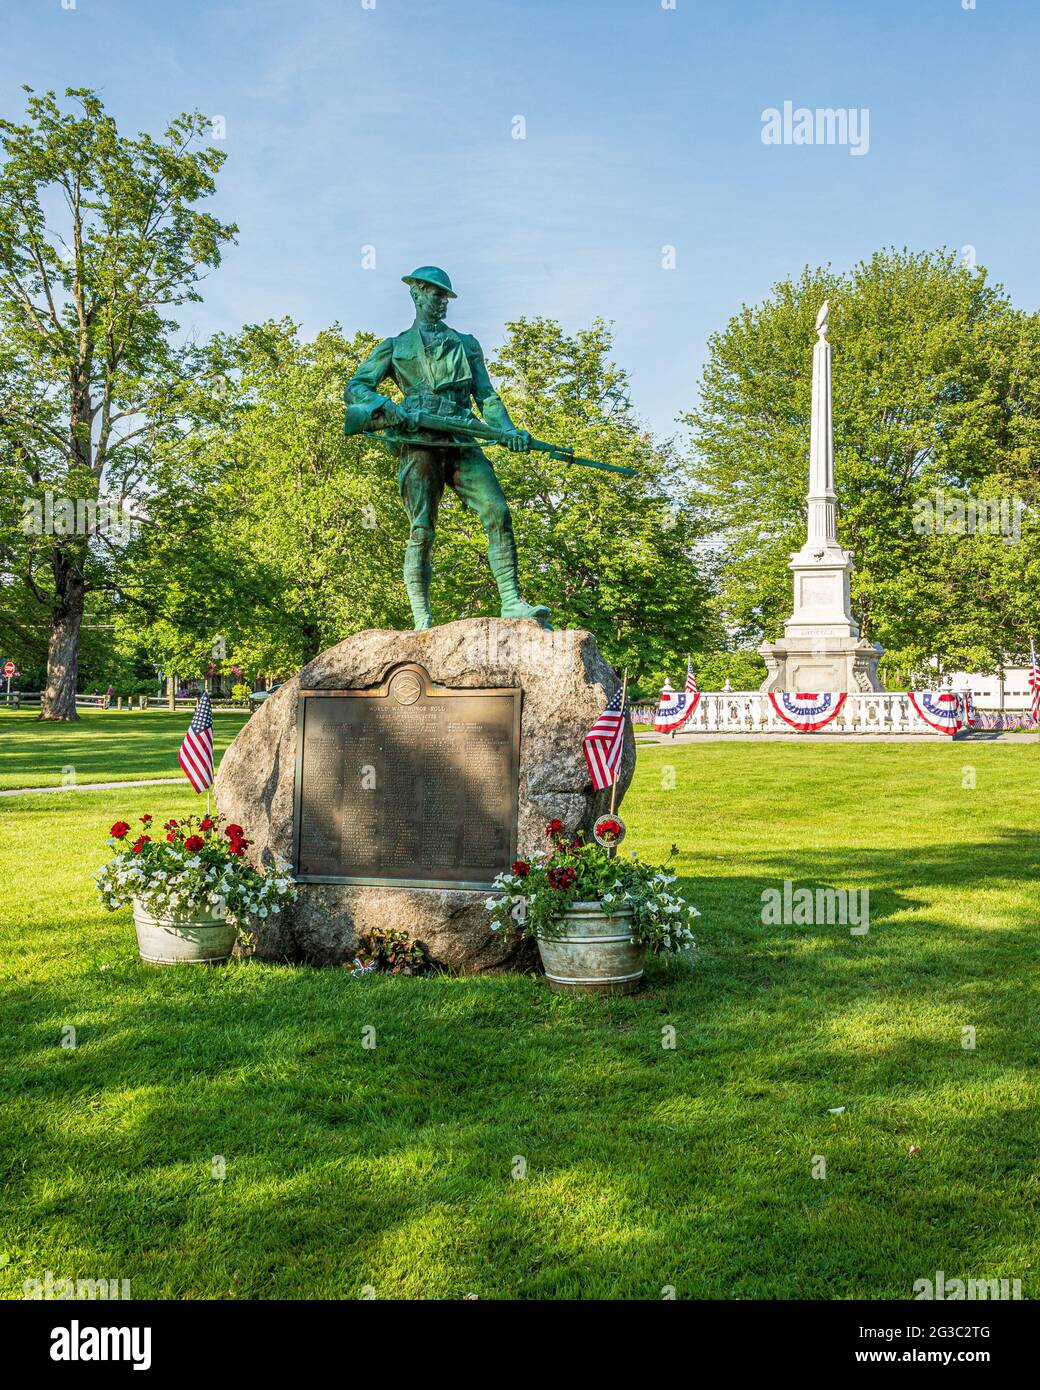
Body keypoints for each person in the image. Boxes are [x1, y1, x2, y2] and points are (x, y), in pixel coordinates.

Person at [344, 266, 550, 631]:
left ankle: (512, 601)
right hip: (419, 439)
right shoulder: (394, 347)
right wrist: (388, 408)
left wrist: (508, 430)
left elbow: (486, 396)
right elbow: (356, 388)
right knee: (422, 529)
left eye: (446, 296)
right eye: (436, 294)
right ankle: (422, 618)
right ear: (416, 293)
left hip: (462, 436)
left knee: (497, 509)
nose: (442, 301)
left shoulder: (466, 344)